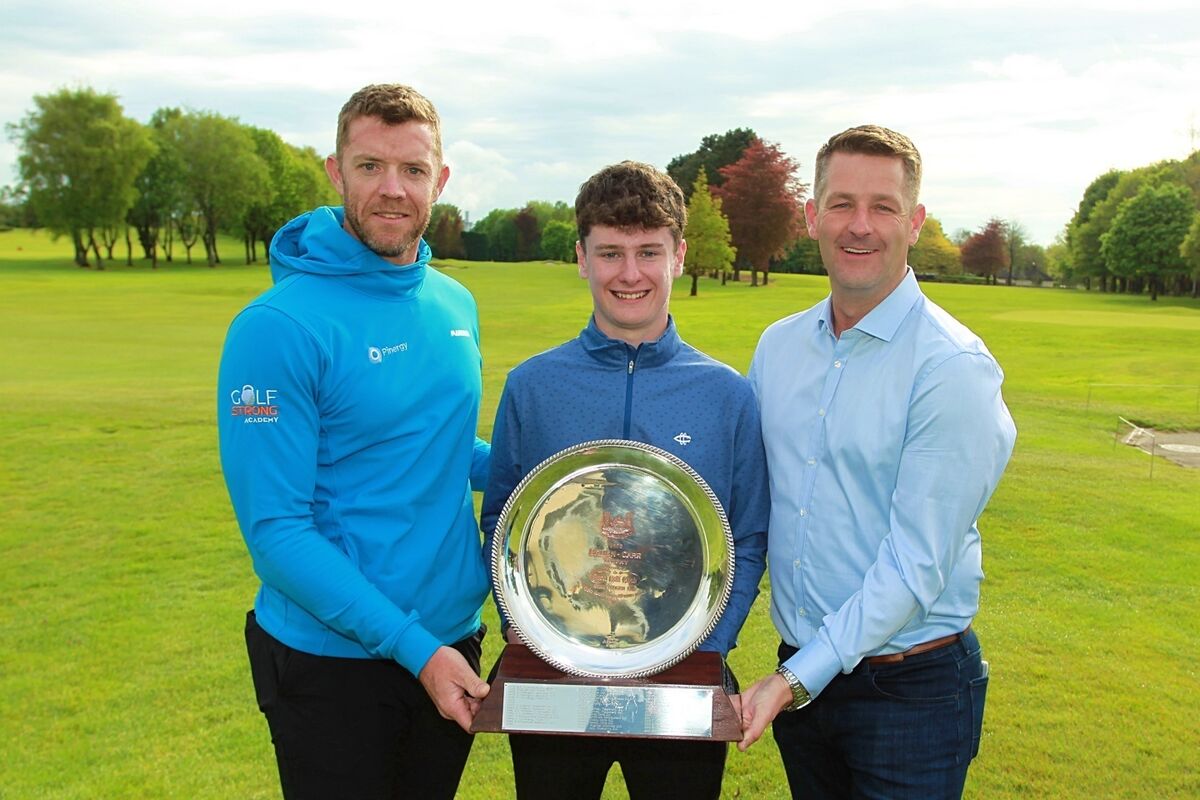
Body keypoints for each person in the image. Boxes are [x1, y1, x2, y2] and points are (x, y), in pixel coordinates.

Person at [217, 83, 491, 800]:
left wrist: (567, 474)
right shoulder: (276, 328)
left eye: (413, 169)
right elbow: (276, 531)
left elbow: (439, 448)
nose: (392, 189)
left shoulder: (454, 302)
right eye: (370, 166)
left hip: (453, 639)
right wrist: (415, 650)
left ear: (441, 180)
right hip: (332, 664)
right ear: (336, 172)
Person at [738, 125, 1017, 799]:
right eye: (841, 204)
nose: (859, 225)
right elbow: (745, 503)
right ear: (813, 216)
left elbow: (917, 563)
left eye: (883, 207)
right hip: (805, 680)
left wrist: (795, 678)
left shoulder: (950, 367)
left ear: (914, 222)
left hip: (910, 694)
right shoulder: (778, 348)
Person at [481, 161, 769, 800]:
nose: (630, 273)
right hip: (554, 669)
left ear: (679, 256)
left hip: (685, 675)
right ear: (582, 258)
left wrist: (708, 641)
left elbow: (747, 534)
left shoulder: (726, 395)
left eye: (649, 252)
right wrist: (523, 620)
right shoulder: (533, 385)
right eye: (610, 252)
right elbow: (502, 519)